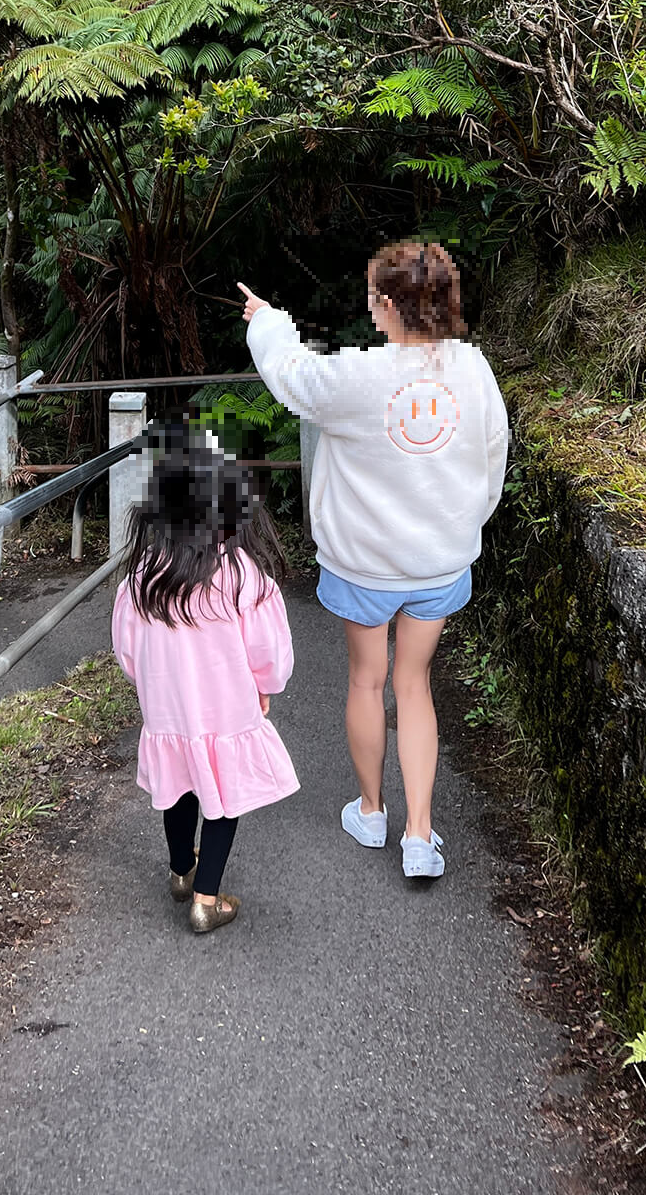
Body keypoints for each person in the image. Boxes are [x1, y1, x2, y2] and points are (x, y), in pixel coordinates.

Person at [239, 242, 509, 882]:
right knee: (413, 685)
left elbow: (292, 376)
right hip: (437, 563)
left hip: (363, 566)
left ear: (387, 305)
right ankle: (420, 833)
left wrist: (271, 321)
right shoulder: (472, 371)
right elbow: (492, 455)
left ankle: (370, 810)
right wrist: (467, 520)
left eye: (373, 296)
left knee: (367, 680)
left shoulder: (357, 377)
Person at [110, 423, 299, 934]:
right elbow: (270, 652)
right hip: (227, 709)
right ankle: (206, 900)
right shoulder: (242, 577)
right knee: (222, 796)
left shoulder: (142, 579)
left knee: (180, 789)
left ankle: (180, 871)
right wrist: (265, 686)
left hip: (168, 711)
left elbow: (127, 653)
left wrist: (150, 682)